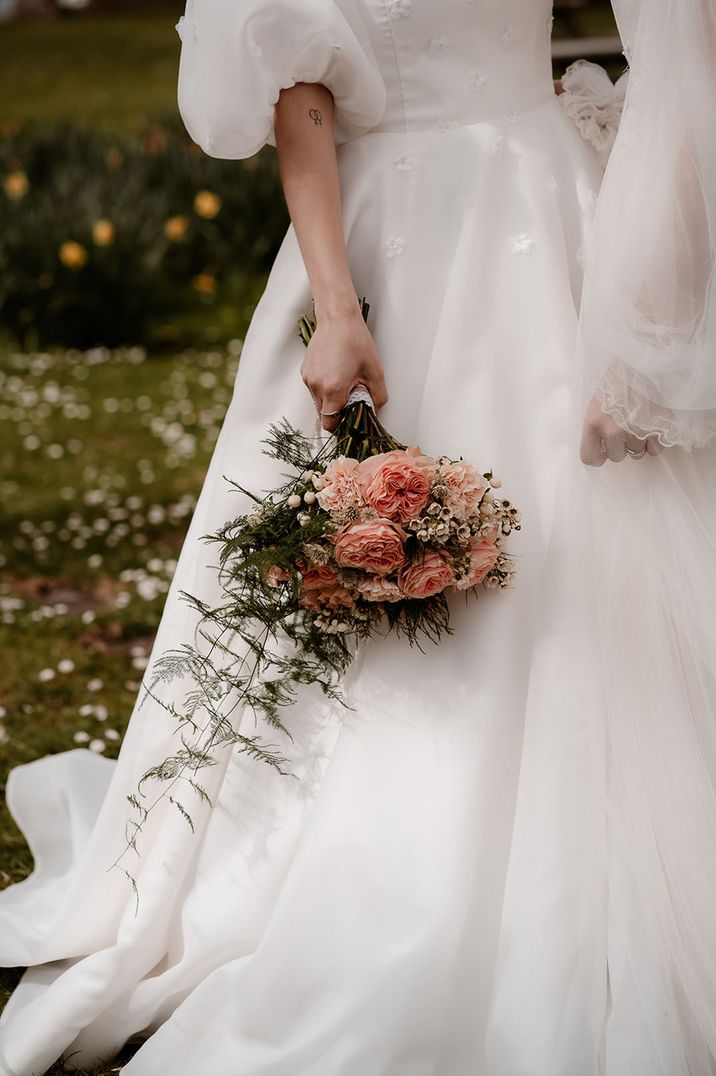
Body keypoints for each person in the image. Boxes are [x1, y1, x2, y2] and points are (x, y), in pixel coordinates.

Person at [1, 1, 715, 1073]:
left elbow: (682, 44)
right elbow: (301, 89)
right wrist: (337, 306)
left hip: (546, 225)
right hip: (378, 236)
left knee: (570, 567)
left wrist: (649, 307)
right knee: (333, 559)